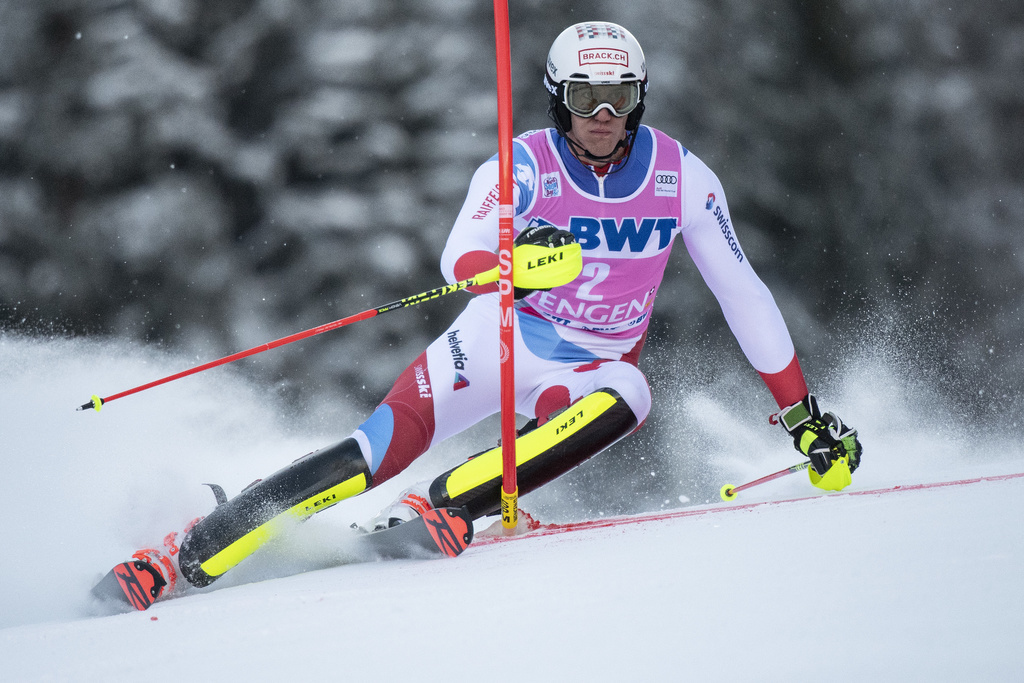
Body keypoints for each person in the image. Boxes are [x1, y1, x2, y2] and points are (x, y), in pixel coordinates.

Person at [113, 21, 862, 603]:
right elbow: (458, 254)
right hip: (497, 338)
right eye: (584, 99)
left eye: (621, 99)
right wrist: (504, 269)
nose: (603, 116)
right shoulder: (523, 164)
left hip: (594, 365)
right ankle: (188, 550)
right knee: (366, 456)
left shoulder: (679, 175)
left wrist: (800, 415)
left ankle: (448, 502)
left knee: (632, 394)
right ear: (555, 98)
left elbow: (743, 292)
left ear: (641, 98)